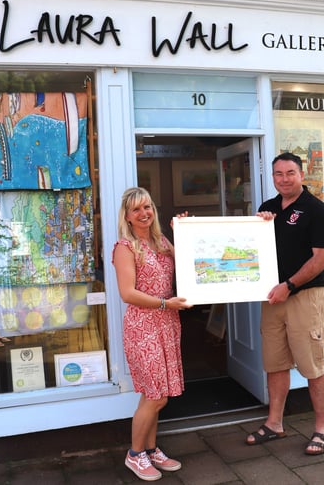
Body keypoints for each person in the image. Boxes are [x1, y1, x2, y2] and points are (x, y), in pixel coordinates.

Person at [246, 152, 324, 456]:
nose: (284, 179)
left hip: (304, 297)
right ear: (272, 177)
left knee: (313, 365)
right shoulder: (267, 209)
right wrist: (261, 226)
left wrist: (290, 285)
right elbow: (252, 248)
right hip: (273, 298)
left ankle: (321, 428)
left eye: (290, 173)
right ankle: (275, 423)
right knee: (276, 363)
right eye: (278, 174)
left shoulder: (316, 210)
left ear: (301, 174)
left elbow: (322, 257)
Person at [112, 187, 192, 482]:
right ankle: (135, 455)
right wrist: (164, 303)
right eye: (136, 210)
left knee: (160, 394)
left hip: (167, 322)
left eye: (147, 207)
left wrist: (182, 232)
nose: (144, 213)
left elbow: (190, 263)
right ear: (128, 217)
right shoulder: (125, 247)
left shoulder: (161, 241)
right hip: (143, 325)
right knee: (154, 395)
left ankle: (150, 449)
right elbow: (127, 293)